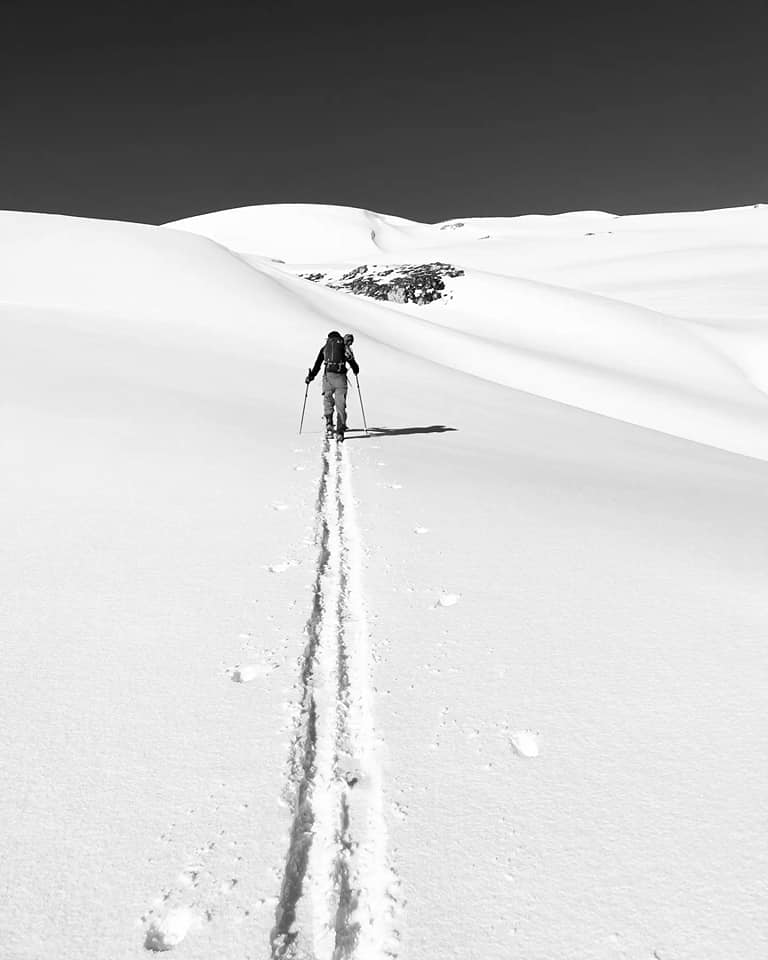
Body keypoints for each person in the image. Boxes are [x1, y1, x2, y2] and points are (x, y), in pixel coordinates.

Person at [305, 331, 360, 440]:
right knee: (341, 404)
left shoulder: (325, 348)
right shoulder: (343, 348)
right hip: (341, 379)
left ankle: (329, 422)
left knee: (327, 399)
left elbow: (317, 365)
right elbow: (354, 366)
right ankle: (340, 431)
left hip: (328, 378)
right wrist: (355, 370)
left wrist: (310, 377)